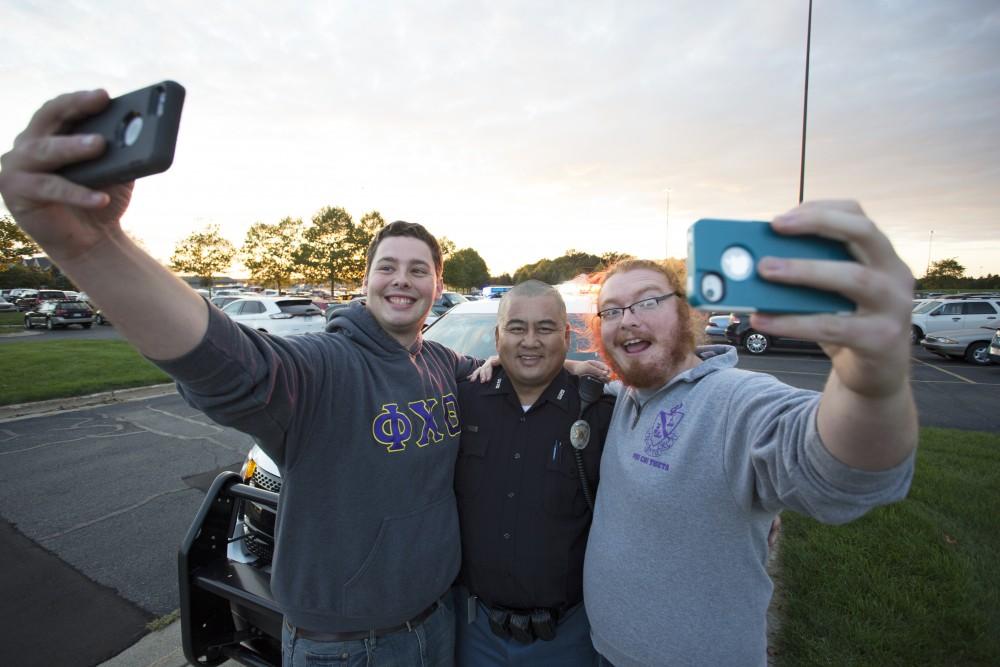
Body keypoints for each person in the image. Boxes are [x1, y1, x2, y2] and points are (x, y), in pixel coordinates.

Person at [0, 89, 609, 667]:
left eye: (417, 269)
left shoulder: (446, 367)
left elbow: (508, 364)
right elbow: (229, 362)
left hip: (441, 623)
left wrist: (560, 362)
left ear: (436, 285)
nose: (402, 279)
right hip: (347, 646)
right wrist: (93, 248)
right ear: (365, 279)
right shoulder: (323, 366)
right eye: (387, 266)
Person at [582, 201, 919, 666]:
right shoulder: (623, 400)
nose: (628, 319)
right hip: (604, 650)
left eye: (647, 302)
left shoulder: (735, 400)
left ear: (687, 313)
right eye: (612, 311)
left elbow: (836, 472)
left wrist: (870, 384)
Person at [454, 280, 614, 666]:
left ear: (565, 335)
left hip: (567, 637)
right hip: (475, 632)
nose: (530, 341)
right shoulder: (462, 401)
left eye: (544, 328)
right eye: (516, 327)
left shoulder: (602, 412)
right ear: (497, 337)